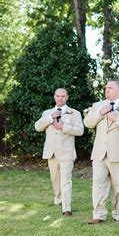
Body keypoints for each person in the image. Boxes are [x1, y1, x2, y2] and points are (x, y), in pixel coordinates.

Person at [83, 79, 119, 224]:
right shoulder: (98, 105)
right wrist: (100, 113)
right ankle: (98, 214)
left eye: (110, 88)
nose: (106, 90)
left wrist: (117, 119)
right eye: (106, 88)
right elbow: (88, 123)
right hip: (100, 153)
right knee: (98, 184)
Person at [34, 88, 84, 216]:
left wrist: (64, 127)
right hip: (51, 152)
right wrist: (51, 118)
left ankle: (66, 208)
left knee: (66, 180)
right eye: (58, 96)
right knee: (54, 179)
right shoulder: (47, 112)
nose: (60, 98)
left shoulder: (74, 113)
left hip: (67, 152)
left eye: (63, 96)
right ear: (54, 97)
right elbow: (38, 127)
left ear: (67, 97)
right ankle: (58, 198)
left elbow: (80, 131)